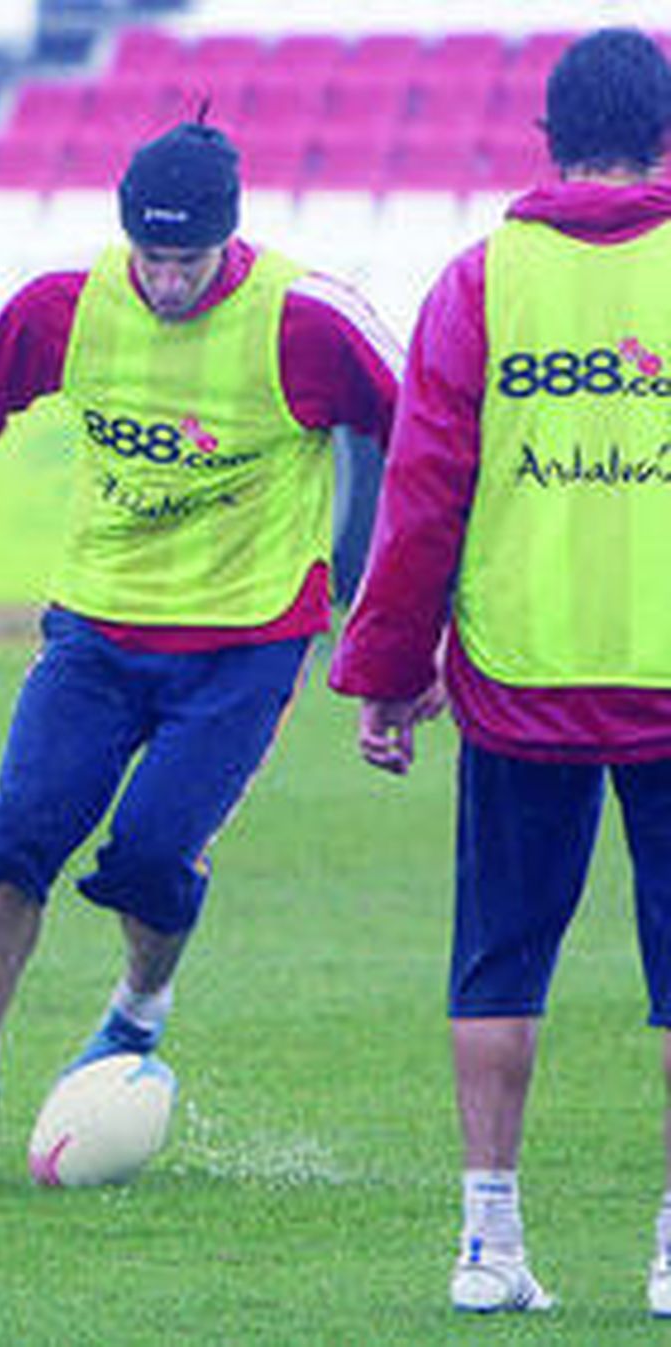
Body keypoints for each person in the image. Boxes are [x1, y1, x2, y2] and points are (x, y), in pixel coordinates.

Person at [0, 121, 401, 1182]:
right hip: (96, 634)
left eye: (187, 260)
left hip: (245, 645)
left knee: (154, 854)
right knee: (14, 833)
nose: (164, 282)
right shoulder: (64, 308)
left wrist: (409, 625)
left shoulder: (306, 321)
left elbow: (432, 433)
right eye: (149, 257)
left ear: (229, 238)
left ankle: (137, 1011)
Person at [330, 27, 671, 1317]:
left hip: (522, 676)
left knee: (500, 961)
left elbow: (421, 493)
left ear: (546, 137)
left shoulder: (482, 280)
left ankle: (487, 1246)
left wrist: (389, 668)